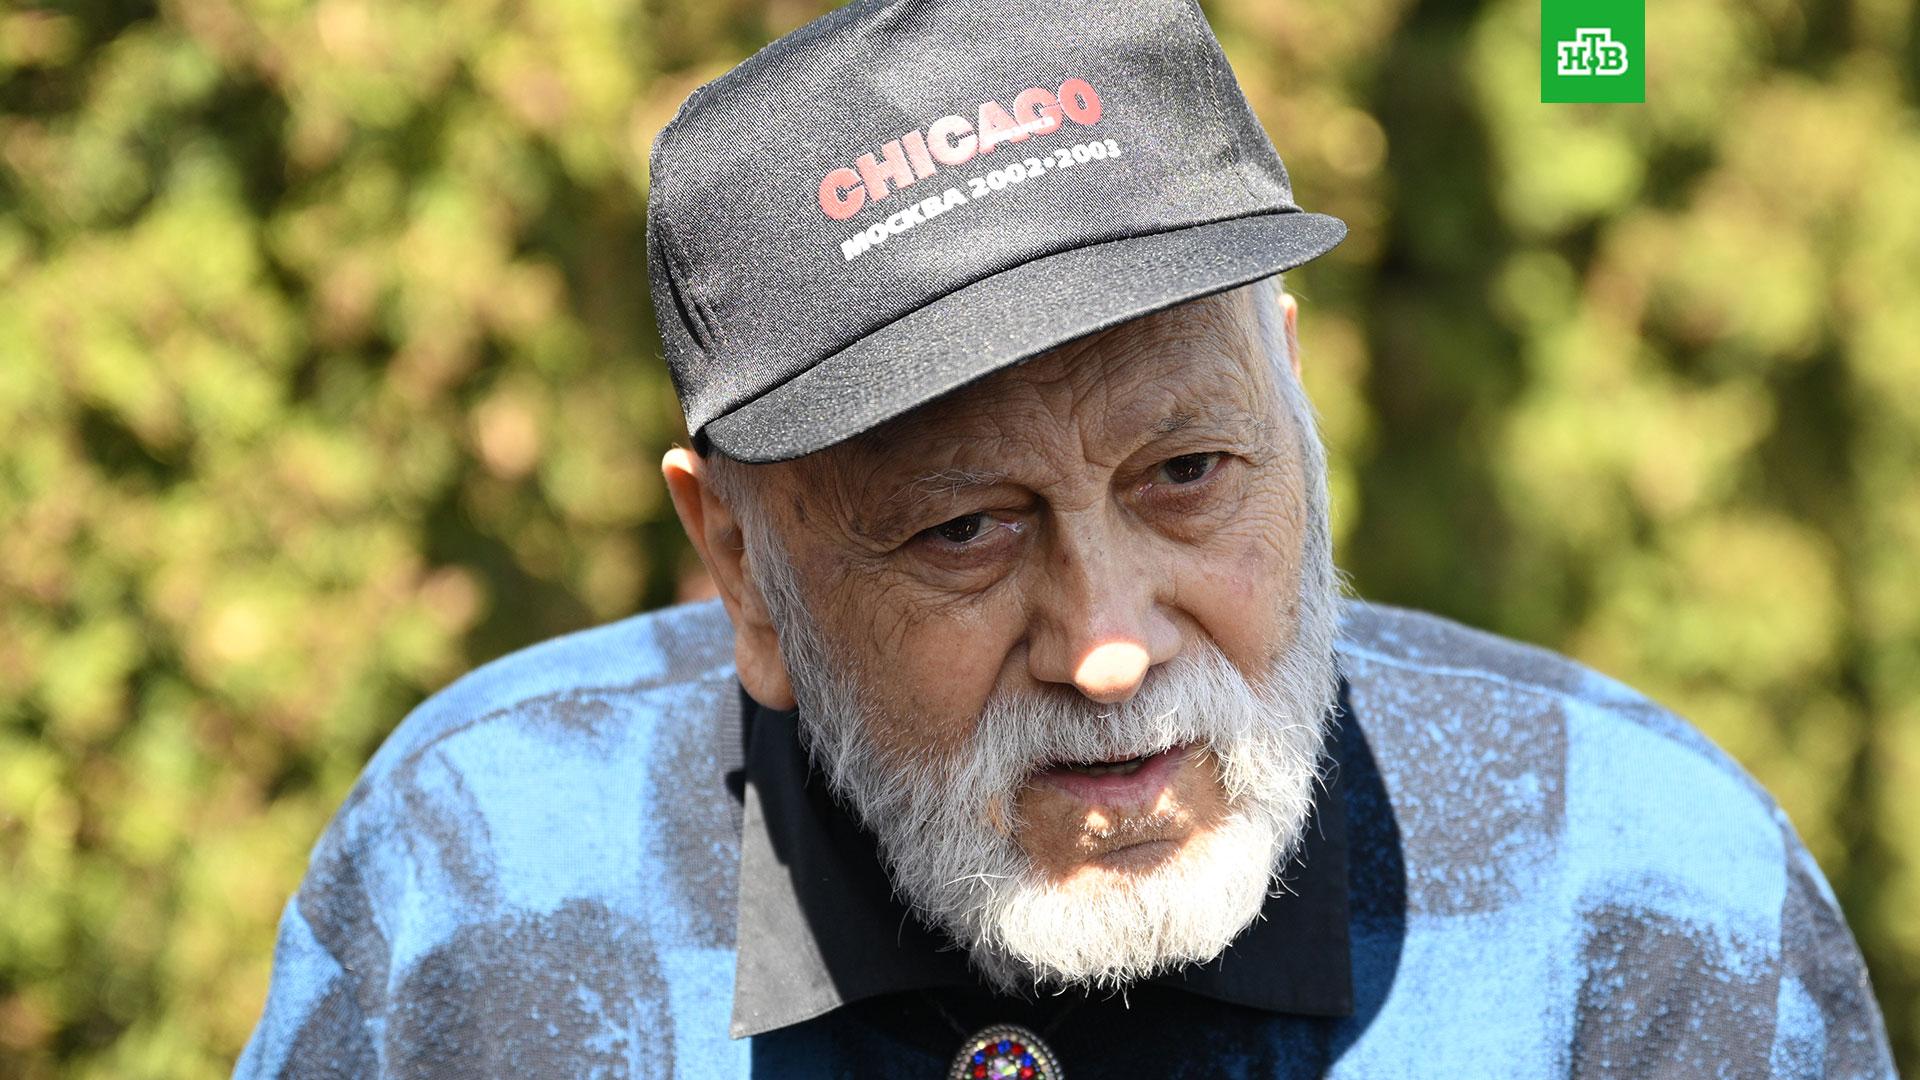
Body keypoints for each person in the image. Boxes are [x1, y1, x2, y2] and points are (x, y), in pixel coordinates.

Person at [237, 0, 1896, 1075]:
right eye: (964, 527)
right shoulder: (481, 882)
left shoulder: (1637, 905)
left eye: (1188, 472)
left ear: (1294, 398)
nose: (1108, 644)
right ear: (741, 563)